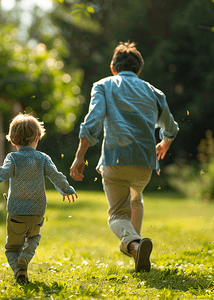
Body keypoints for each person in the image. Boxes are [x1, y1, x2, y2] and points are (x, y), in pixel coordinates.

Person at [69, 41, 179, 273]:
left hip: (115, 161)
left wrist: (80, 156)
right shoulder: (154, 91)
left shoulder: (104, 86)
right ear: (139, 70)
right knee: (135, 199)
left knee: (117, 214)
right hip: (145, 165)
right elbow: (171, 127)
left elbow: (93, 121)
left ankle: (135, 245)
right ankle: (137, 249)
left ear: (113, 68)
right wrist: (165, 142)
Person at [0, 113, 78, 284]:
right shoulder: (42, 158)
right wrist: (67, 189)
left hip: (16, 212)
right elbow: (55, 176)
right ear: (38, 137)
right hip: (37, 212)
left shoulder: (13, 157)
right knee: (33, 238)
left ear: (12, 140)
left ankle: (18, 269)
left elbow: (4, 171)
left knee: (11, 248)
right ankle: (25, 258)